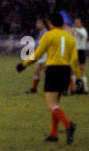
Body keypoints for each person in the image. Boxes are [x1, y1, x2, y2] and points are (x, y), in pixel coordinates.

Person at [16, 13, 83, 143]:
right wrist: (78, 78)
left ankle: (68, 125)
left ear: (51, 23)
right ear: (62, 23)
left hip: (53, 70)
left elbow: (37, 55)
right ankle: (53, 134)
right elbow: (74, 60)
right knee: (56, 104)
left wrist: (23, 64)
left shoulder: (48, 35)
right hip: (65, 71)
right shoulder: (70, 38)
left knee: (51, 104)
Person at [25, 18, 48, 93]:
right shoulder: (40, 33)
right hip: (40, 55)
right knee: (36, 70)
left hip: (45, 54)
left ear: (43, 24)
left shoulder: (46, 33)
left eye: (39, 23)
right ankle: (34, 89)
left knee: (47, 71)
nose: (37, 24)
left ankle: (49, 88)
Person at [71, 15, 89, 95]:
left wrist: (75, 30)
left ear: (81, 23)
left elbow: (83, 35)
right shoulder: (75, 31)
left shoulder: (83, 30)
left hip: (81, 51)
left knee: (81, 70)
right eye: (75, 22)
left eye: (77, 22)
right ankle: (79, 88)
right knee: (75, 70)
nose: (76, 23)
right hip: (75, 51)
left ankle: (84, 89)